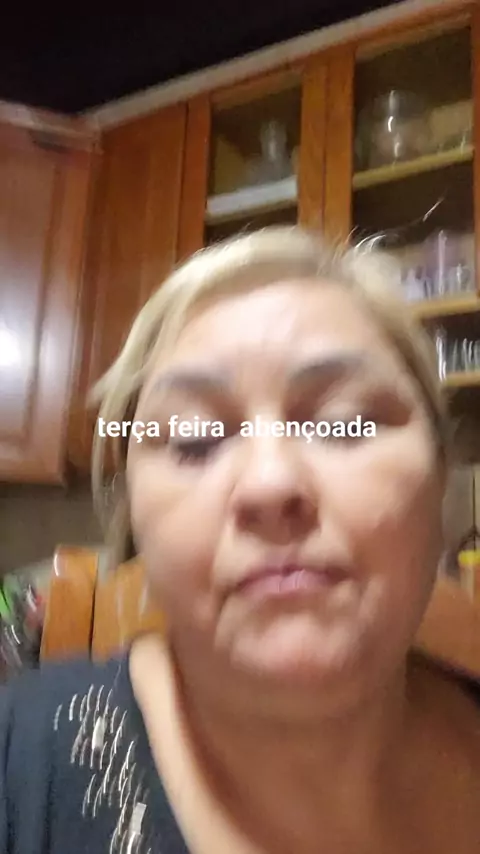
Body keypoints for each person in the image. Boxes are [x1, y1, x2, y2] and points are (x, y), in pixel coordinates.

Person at [1, 226, 480, 854]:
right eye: (195, 439)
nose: (269, 482)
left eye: (345, 424)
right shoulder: (17, 769)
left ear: (439, 474)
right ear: (136, 516)